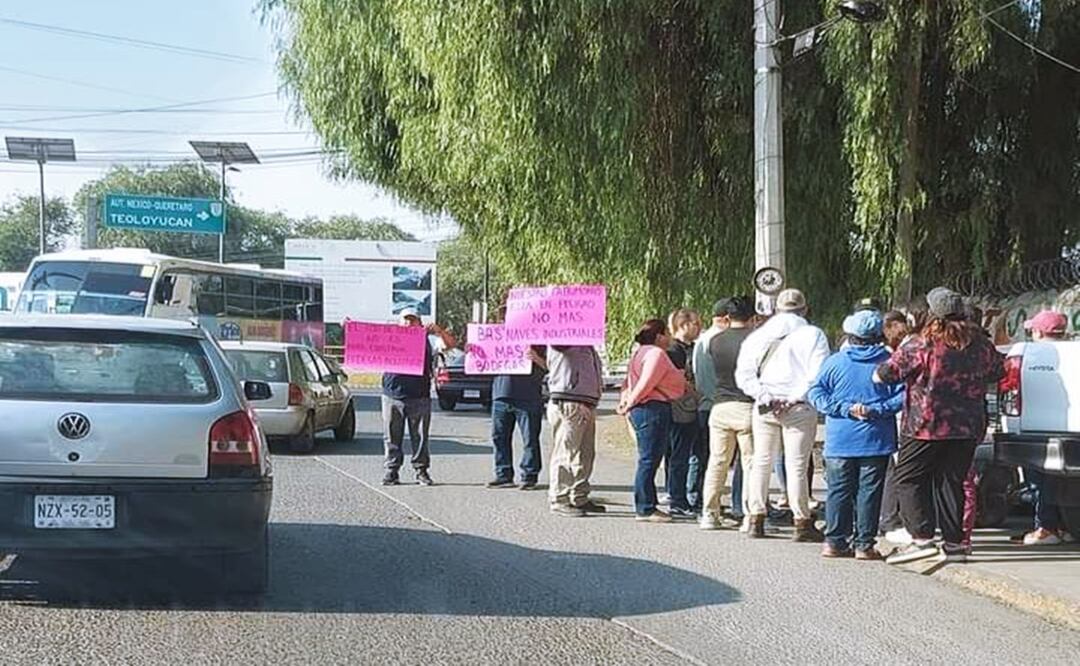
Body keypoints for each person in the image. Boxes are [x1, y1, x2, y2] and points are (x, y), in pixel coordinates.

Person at [875, 287, 1005, 564]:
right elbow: (998, 371)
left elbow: (886, 373)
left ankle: (921, 538)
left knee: (908, 478)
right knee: (952, 482)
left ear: (932, 313)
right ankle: (955, 544)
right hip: (968, 426)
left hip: (925, 424)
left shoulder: (921, 343)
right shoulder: (981, 344)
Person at [735, 288, 831, 541]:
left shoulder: (759, 335)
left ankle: (755, 517)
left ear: (776, 309)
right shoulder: (813, 334)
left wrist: (765, 396)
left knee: (761, 461)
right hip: (798, 407)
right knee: (796, 465)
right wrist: (793, 397)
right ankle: (802, 520)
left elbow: (743, 375)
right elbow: (817, 374)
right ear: (804, 309)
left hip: (765, 406)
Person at [808, 310, 904, 559]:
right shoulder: (889, 363)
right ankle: (864, 544)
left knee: (838, 490)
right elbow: (903, 395)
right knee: (870, 492)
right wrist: (876, 409)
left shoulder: (835, 362)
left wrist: (843, 408)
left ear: (851, 335)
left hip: (840, 438)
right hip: (877, 438)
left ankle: (834, 541)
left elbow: (816, 393)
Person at [619, 319, 687, 523]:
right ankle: (645, 507)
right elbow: (647, 382)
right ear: (659, 336)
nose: (669, 338)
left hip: (648, 407)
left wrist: (628, 399)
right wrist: (629, 402)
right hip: (652, 408)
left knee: (649, 458)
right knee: (649, 459)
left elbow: (629, 380)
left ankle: (648, 503)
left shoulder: (639, 352)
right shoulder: (656, 353)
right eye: (666, 333)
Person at [1013, 310, 1071, 545]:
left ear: (1037, 331)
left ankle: (1045, 528)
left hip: (1033, 426)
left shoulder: (1028, 352)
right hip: (1069, 427)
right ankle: (1061, 527)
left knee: (1039, 480)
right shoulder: (1073, 351)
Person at [382, 308, 456, 486]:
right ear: (399, 322)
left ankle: (421, 471)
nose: (408, 323)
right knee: (392, 436)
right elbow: (363, 344)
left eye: (412, 320)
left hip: (419, 395)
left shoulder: (428, 339)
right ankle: (392, 471)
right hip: (392, 395)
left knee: (420, 436)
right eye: (405, 320)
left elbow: (450, 345)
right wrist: (349, 327)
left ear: (420, 323)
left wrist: (439, 331)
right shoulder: (389, 337)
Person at [700, 296, 756, 531]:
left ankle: (709, 514)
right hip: (746, 405)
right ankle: (749, 515)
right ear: (752, 318)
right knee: (751, 463)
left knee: (717, 462)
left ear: (727, 317)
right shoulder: (755, 341)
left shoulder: (715, 341)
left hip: (720, 406)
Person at [547, 344, 605, 517]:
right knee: (565, 452)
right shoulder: (564, 339)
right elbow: (558, 344)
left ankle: (579, 495)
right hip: (568, 401)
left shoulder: (587, 345)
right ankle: (559, 498)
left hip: (586, 402)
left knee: (585, 453)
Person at [486, 345, 547, 490]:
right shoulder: (497, 339)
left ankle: (529, 476)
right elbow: (482, 364)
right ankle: (503, 475)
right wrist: (474, 353)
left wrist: (536, 358)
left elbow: (551, 366)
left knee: (530, 438)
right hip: (501, 395)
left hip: (528, 397)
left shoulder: (539, 340)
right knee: (499, 437)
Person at [690, 300, 731, 511]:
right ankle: (701, 498)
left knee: (703, 455)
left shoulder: (702, 339)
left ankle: (696, 495)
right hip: (717, 404)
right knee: (713, 457)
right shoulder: (720, 340)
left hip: (704, 403)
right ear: (726, 318)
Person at [664, 308, 702, 518]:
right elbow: (678, 379)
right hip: (681, 406)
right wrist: (697, 394)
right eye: (695, 323)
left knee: (685, 452)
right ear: (683, 325)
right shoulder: (673, 350)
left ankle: (679, 492)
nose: (699, 328)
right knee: (679, 453)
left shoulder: (694, 348)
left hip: (689, 405)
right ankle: (677, 497)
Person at [878, 309, 911, 538]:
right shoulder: (888, 358)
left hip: (861, 421)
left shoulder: (845, 354)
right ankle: (889, 519)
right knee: (890, 470)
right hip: (890, 419)